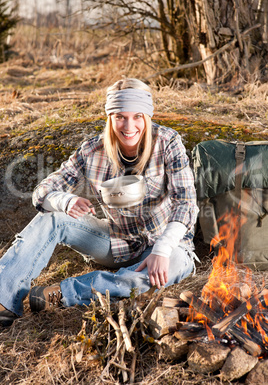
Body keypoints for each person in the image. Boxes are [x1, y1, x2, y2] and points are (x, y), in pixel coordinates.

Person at [0, 78, 199, 327]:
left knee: (166, 270)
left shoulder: (168, 142)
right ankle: (3, 299)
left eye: (137, 116)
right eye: (120, 117)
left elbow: (187, 204)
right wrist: (64, 200)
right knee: (52, 217)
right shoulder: (92, 150)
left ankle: (58, 294)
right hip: (116, 242)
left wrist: (162, 249)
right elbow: (42, 192)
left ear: (147, 116)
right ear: (110, 117)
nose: (129, 126)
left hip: (167, 246)